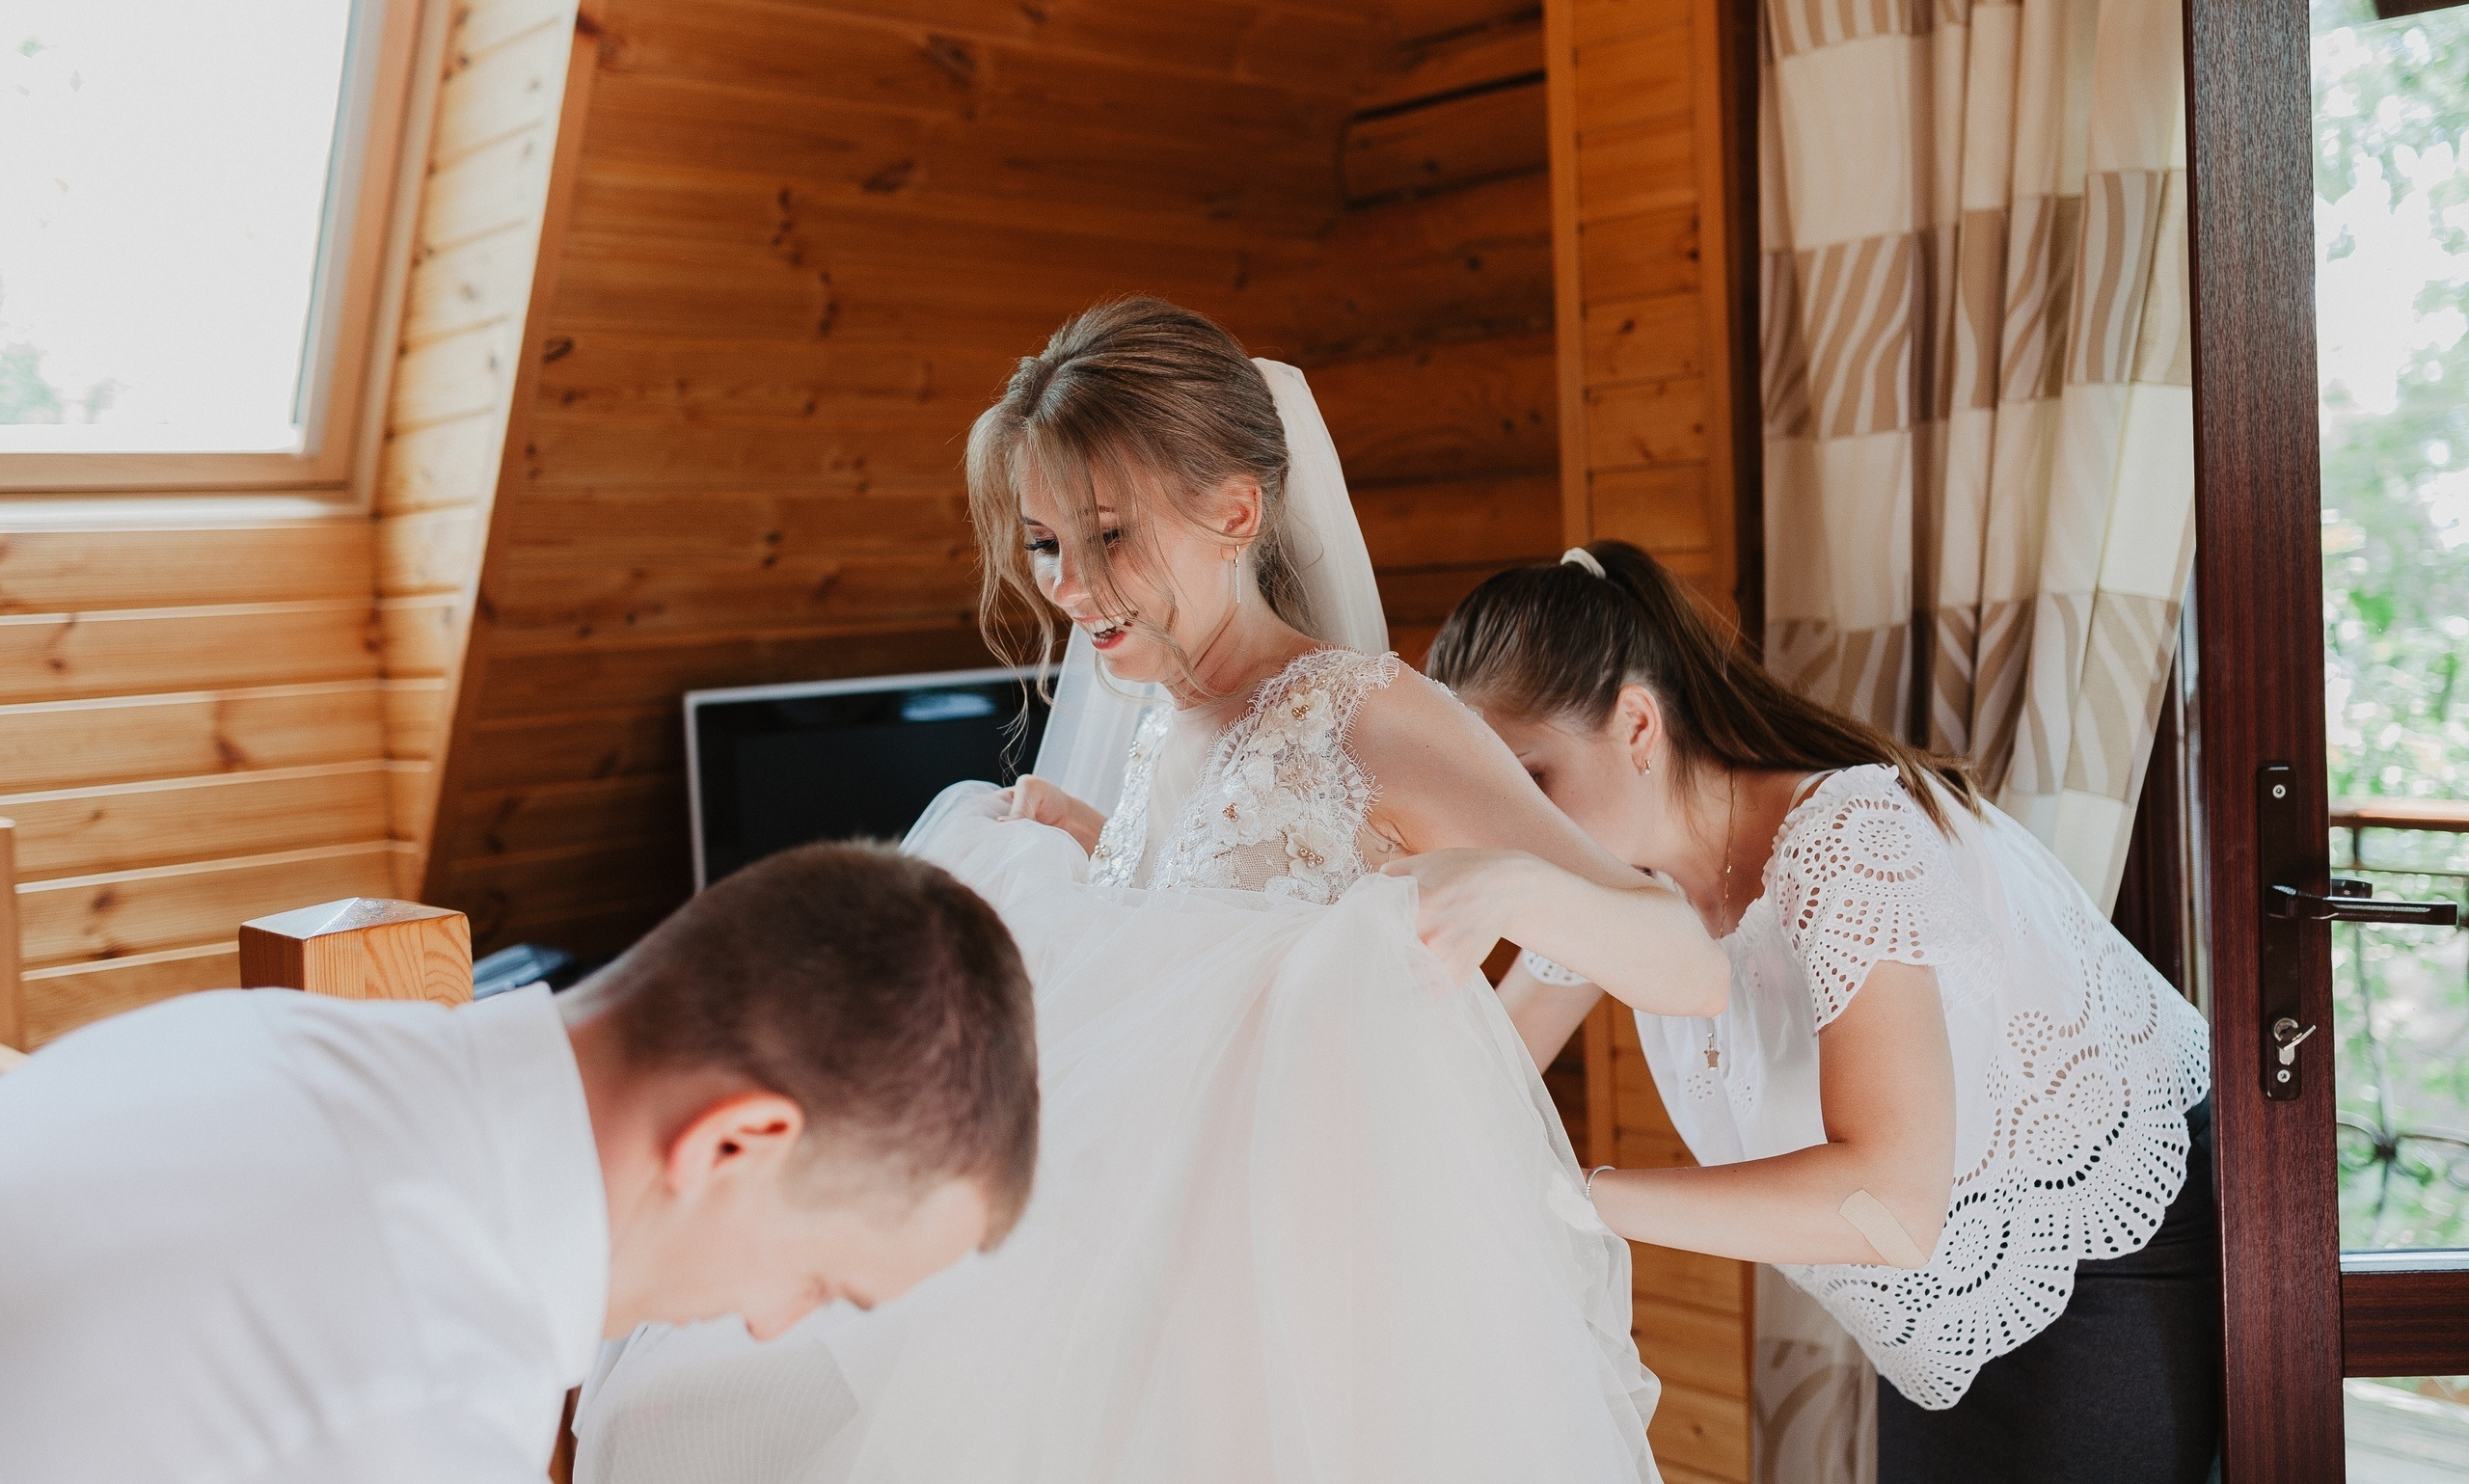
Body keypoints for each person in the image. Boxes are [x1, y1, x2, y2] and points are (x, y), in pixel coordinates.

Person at [574, 298, 1730, 1484]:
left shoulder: (1367, 716)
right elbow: (1199, 940)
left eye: (1110, 537)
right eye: (1042, 544)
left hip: (1286, 1294)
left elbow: (1683, 960)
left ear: (1235, 513)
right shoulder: (1152, 713)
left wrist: (1499, 884)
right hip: (1122, 1267)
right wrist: (1092, 858)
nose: (1072, 587)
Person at [1414, 538, 2220, 1484]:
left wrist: (1573, 1202)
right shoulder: (1614, 887)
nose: (1519, 829)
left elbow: (1890, 1198)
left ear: (1636, 724)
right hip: (1927, 1304)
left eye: (1531, 781)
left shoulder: (1845, 838)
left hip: (2097, 1255)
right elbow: (1475, 1068)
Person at [0, 842, 1037, 1484]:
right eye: (818, 1282)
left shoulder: (270, 1034)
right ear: (735, 1143)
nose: (770, 1324)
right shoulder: (423, 1381)